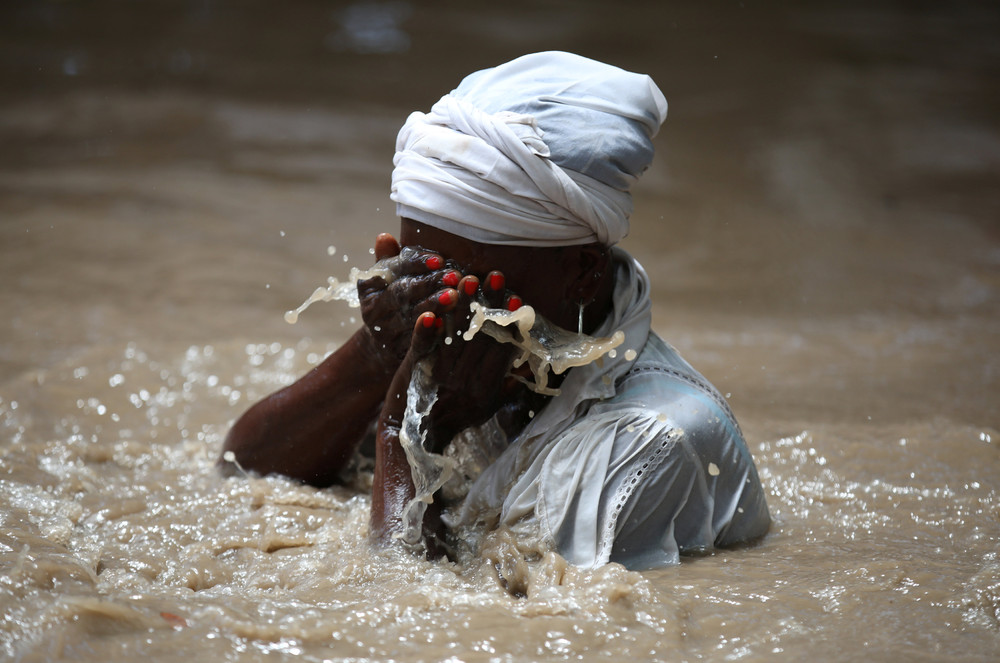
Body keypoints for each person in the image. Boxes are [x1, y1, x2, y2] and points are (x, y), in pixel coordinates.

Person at [220, 51, 770, 570]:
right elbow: (244, 470)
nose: (446, 311)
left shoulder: (649, 444)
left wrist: (404, 435)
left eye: (471, 290)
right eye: (418, 278)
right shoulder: (472, 355)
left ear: (584, 272)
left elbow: (417, 615)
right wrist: (376, 355)